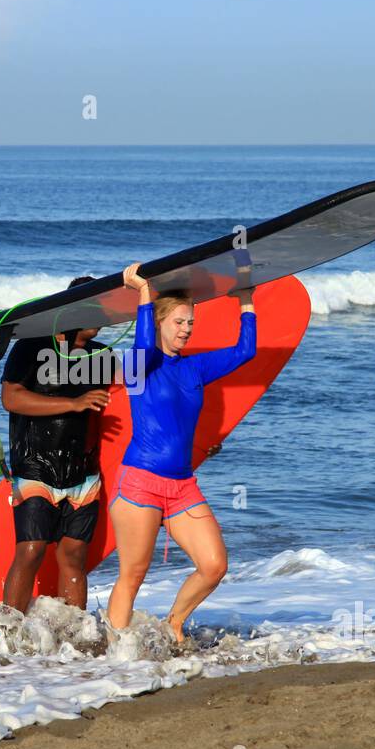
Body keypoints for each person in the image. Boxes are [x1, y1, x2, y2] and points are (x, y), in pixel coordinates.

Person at [108, 262, 256, 644]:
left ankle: (173, 622)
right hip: (140, 483)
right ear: (158, 322)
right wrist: (143, 291)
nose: (187, 329)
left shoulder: (195, 368)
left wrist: (245, 301)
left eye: (190, 322)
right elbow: (142, 345)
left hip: (181, 487)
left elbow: (246, 350)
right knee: (133, 574)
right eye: (178, 322)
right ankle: (117, 657)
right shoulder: (141, 366)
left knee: (214, 565)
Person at [0, 276, 119, 613]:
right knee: (32, 548)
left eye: (103, 308)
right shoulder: (32, 347)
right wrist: (73, 403)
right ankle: (10, 634)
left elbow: (129, 403)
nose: (101, 316)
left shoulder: (103, 357)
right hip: (36, 466)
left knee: (74, 555)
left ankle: (72, 637)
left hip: (84, 472)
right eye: (93, 308)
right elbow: (11, 397)